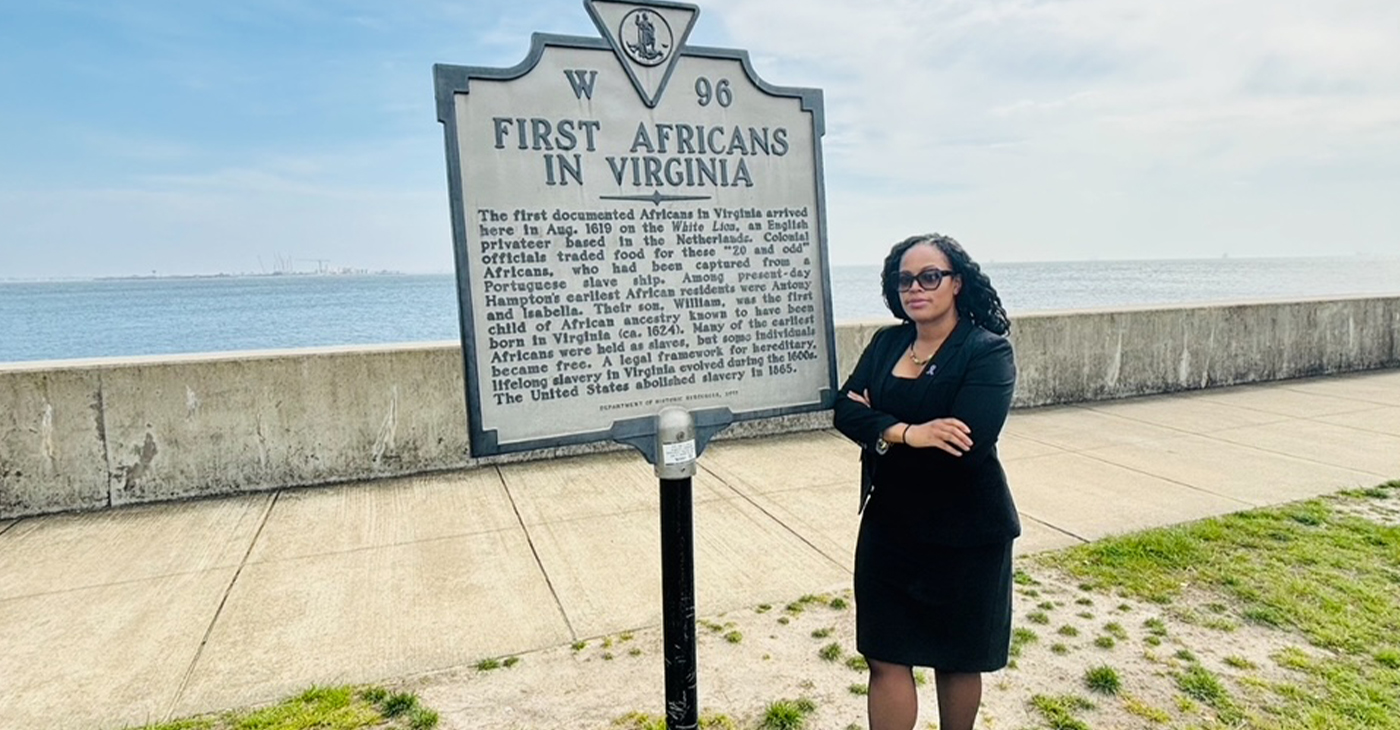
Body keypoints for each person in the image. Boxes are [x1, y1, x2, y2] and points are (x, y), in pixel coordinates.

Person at [833, 233, 1019, 730]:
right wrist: (909, 433)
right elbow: (844, 411)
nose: (915, 287)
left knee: (956, 659)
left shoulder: (985, 351)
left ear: (956, 283)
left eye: (930, 276)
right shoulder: (887, 343)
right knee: (885, 655)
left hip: (966, 533)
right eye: (905, 279)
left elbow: (967, 443)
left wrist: (881, 426)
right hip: (889, 527)